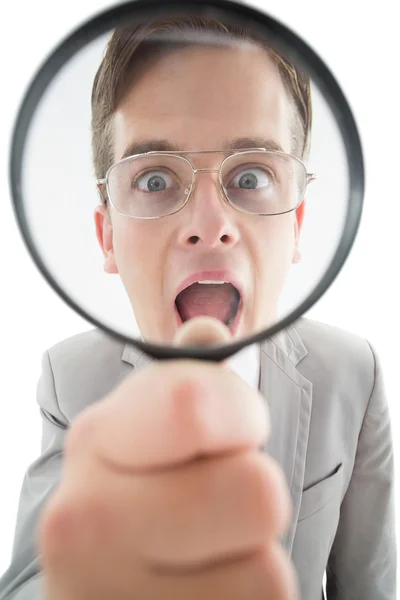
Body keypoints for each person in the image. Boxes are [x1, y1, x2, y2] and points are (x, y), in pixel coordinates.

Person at [0, 16, 396, 600]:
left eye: (252, 175)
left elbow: (369, 589)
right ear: (108, 237)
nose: (209, 227)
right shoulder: (71, 380)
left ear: (297, 227)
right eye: (155, 178)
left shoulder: (352, 373)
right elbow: (30, 583)